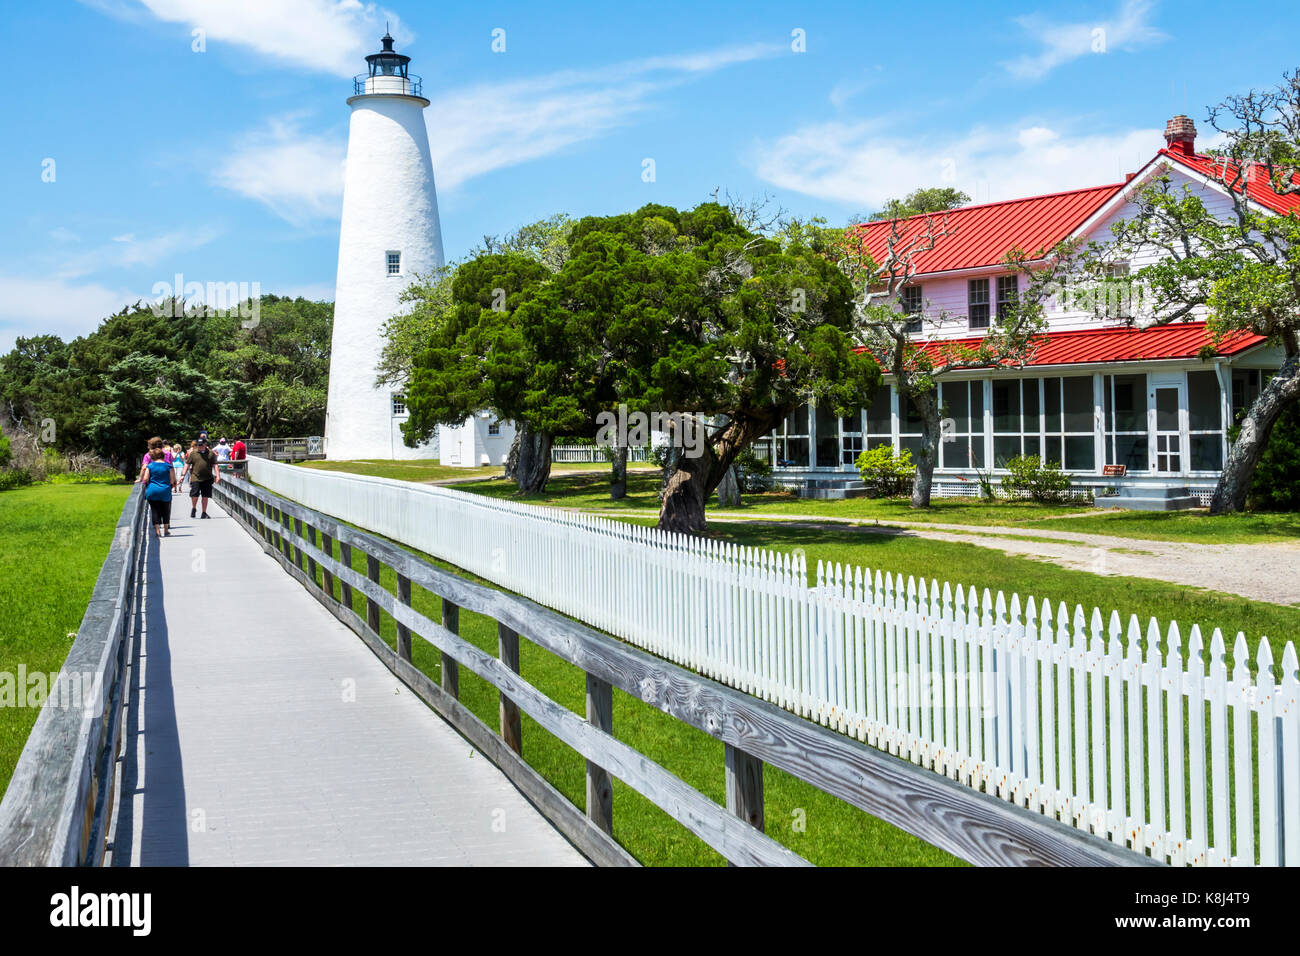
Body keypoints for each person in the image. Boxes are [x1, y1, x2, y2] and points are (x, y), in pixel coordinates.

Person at [139, 438, 176, 538]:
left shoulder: (150, 466)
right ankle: (166, 530)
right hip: (165, 490)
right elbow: (172, 480)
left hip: (152, 490)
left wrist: (143, 481)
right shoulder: (168, 466)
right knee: (166, 509)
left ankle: (157, 531)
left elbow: (146, 478)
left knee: (154, 510)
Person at [183, 434, 220, 519]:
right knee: (195, 494)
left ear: (205, 444)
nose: (199, 447)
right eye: (198, 445)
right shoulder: (193, 453)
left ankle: (204, 512)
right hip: (196, 477)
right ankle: (194, 508)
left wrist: (218, 475)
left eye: (201, 445)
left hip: (207, 477)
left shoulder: (211, 454)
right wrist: (183, 475)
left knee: (205, 496)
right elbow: (187, 464)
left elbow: (215, 465)